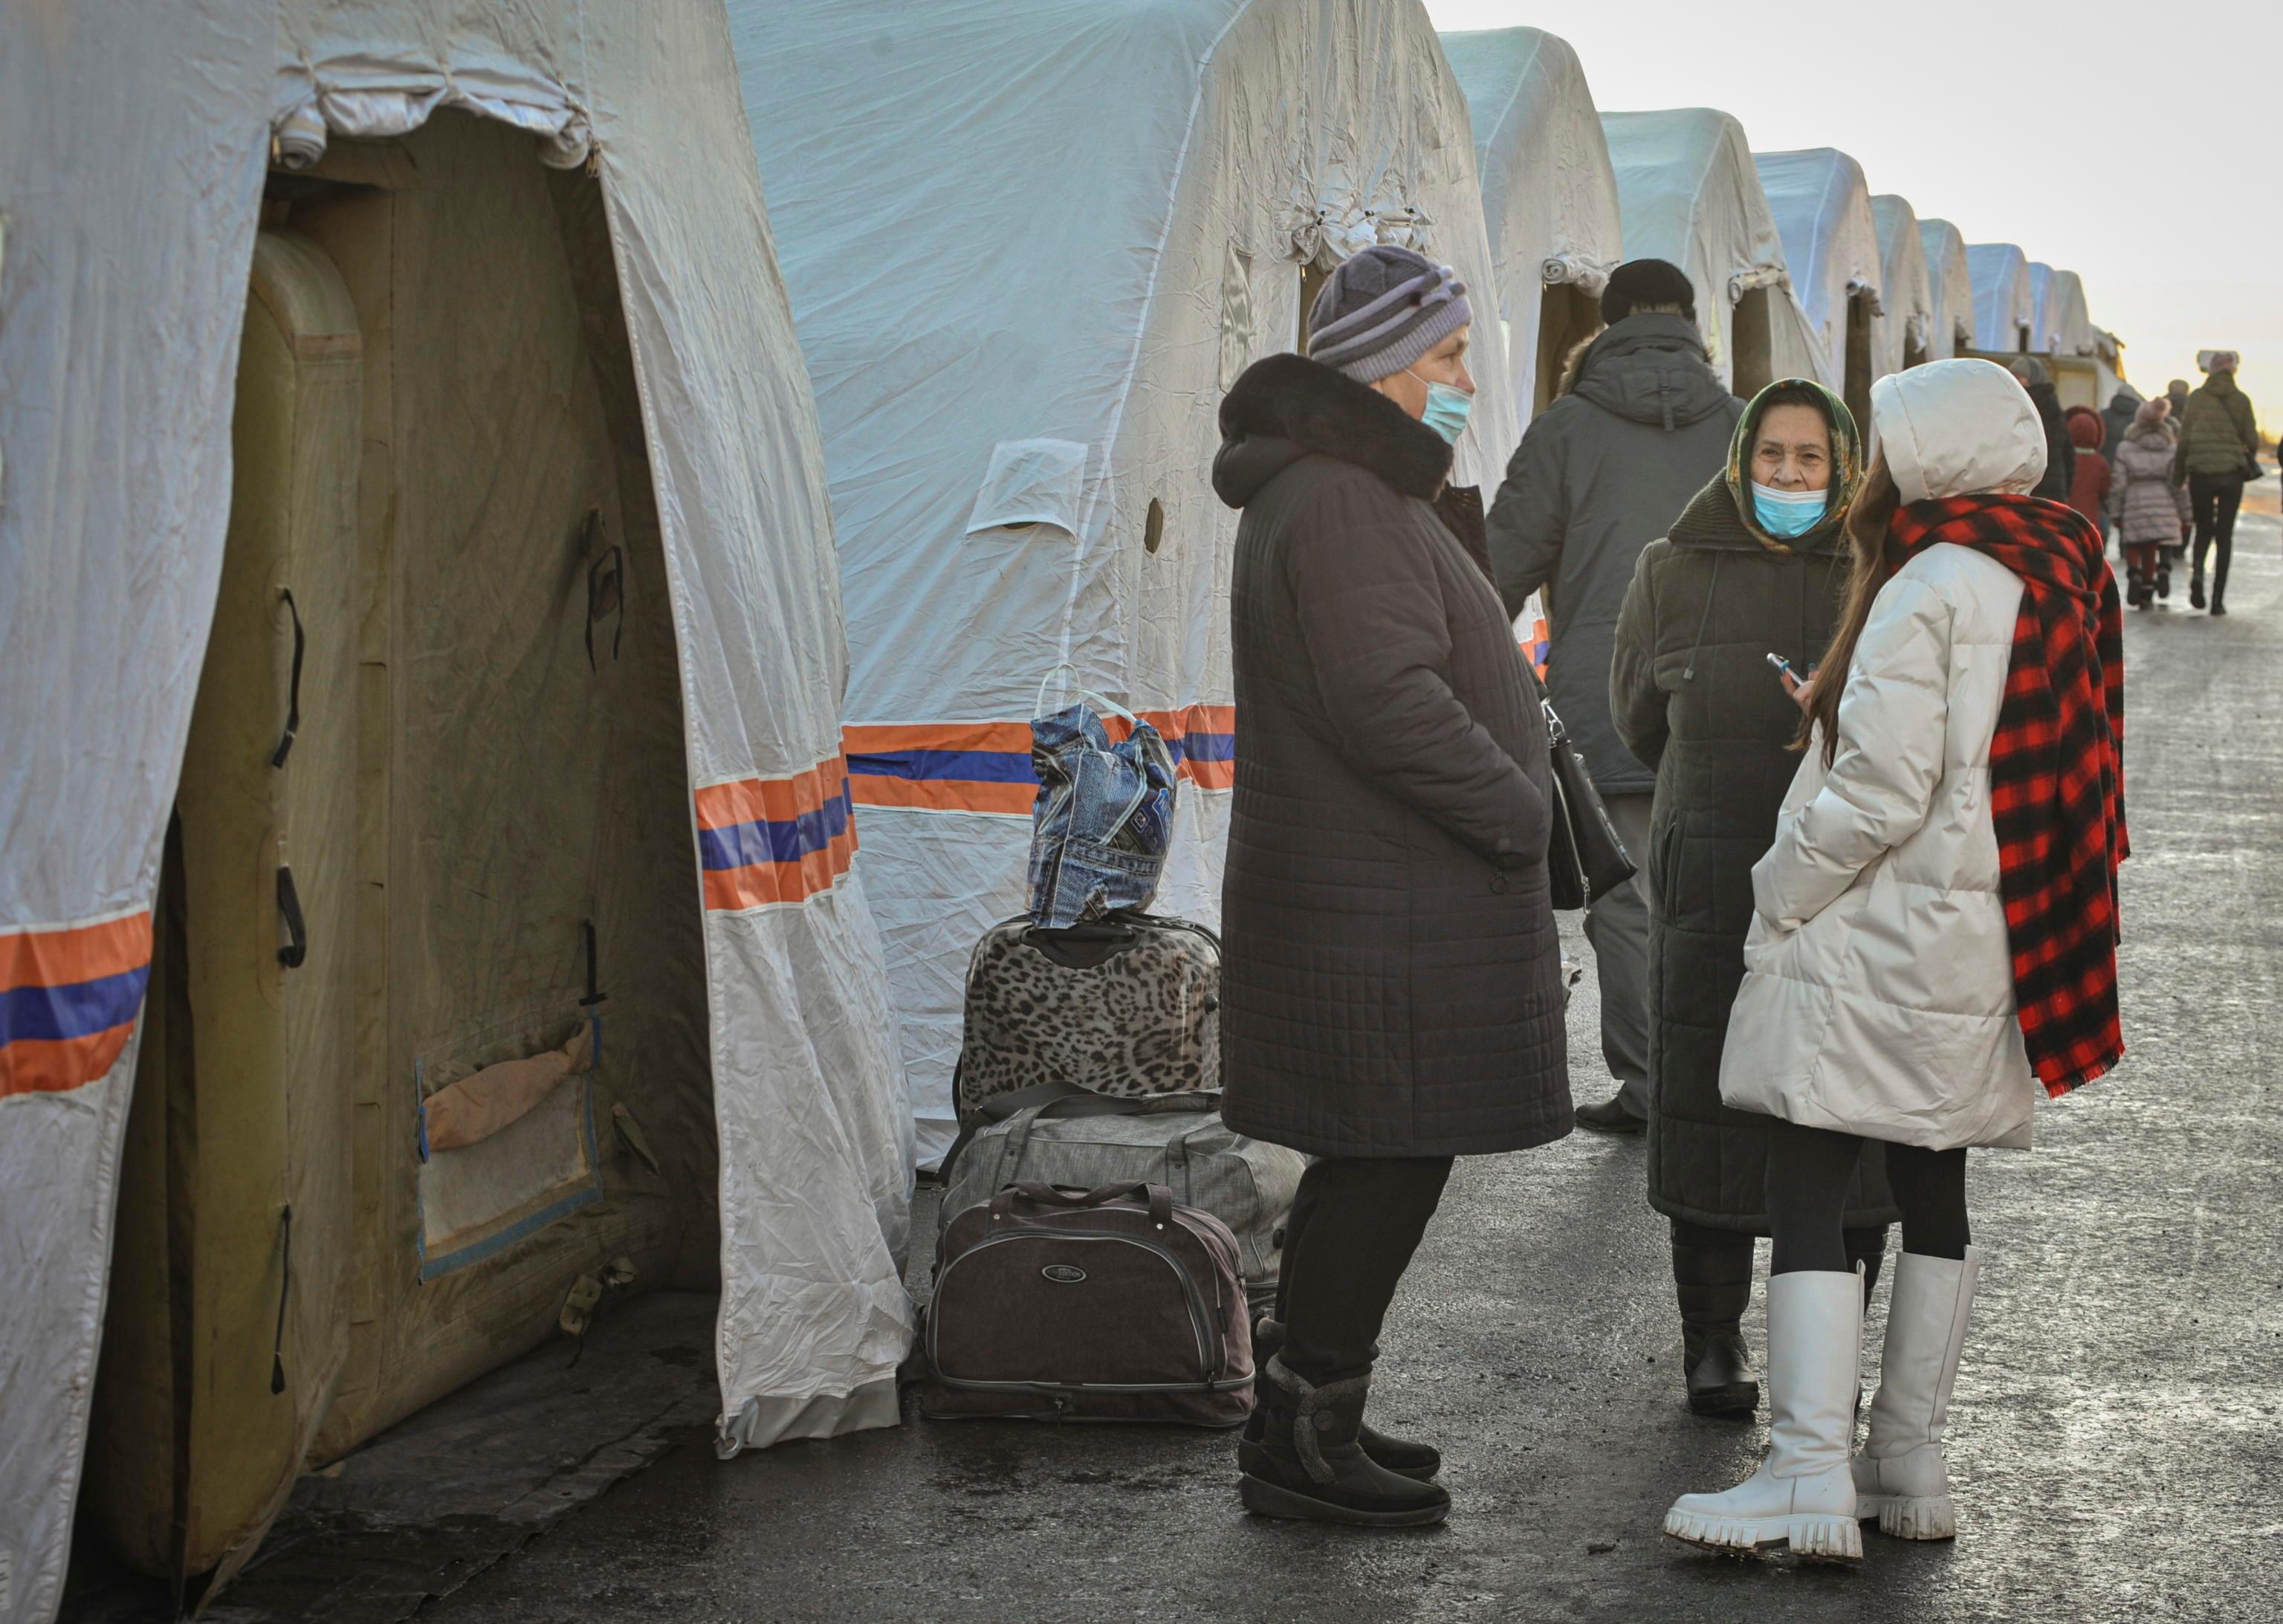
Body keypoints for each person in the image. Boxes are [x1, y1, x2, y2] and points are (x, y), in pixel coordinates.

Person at [1662, 358, 2126, 1563]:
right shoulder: (2057, 570)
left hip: (1878, 935)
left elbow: (1877, 789)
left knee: (1807, 1175)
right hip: (1981, 940)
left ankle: (1805, 1469)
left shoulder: (1928, 582)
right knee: (1931, 1183)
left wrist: (1781, 889)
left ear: (1922, 460)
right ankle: (1907, 1463)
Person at [1214, 245, 1572, 1529]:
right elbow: (1387, 700)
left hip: (1371, 893)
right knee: (1387, 1157)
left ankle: (1311, 1414)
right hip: (1387, 895)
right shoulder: (1347, 499)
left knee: (1371, 1154)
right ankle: (1309, 1435)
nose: (1464, 379)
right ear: (1377, 366)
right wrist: (1517, 809)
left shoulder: (1332, 488)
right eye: (1445, 357)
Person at [1608, 378, 1896, 1421]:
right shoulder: (1669, 569)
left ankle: (1835, 1353)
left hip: (1846, 879)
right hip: (1714, 876)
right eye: (1771, 455)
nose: (1788, 476)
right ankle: (1713, 1342)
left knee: (1845, 1104)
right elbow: (1640, 715)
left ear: (1843, 466)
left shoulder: (1879, 569)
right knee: (1709, 1096)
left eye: (1809, 459)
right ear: (1740, 461)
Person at [1486, 258, 1744, 1134]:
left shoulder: (1568, 429)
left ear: (1608, 322)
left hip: (1609, 698)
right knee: (1735, 889)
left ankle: (1653, 1091)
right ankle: (1736, 1079)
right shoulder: (1747, 429)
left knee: (1629, 902)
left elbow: (1498, 575)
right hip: (1740, 702)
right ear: (1693, 320)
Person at [2174, 349, 2260, 615]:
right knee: (2225, 535)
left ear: (2210, 371)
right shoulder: (2241, 400)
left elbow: (2184, 440)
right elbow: (2252, 439)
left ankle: (2198, 573)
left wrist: (2178, 477)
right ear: (2233, 371)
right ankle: (2217, 600)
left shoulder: (2197, 398)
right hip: (2231, 474)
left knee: (2203, 529)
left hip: (2201, 473)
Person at [2109, 397, 2189, 608]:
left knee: (2135, 542)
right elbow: (2178, 485)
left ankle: (2134, 573)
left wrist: (2115, 512)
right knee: (2153, 545)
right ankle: (2150, 585)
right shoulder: (2171, 448)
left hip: (2135, 498)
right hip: (2163, 498)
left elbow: (2118, 484)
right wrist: (2186, 515)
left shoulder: (2125, 447)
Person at [2008, 355, 2074, 501]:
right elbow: (2069, 455)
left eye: (2020, 377)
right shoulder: (2055, 407)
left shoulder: (2021, 405)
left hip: (2028, 488)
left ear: (2032, 379)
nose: (2015, 381)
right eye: (2012, 376)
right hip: (2054, 491)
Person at [2064, 407, 2111, 530]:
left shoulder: (2064, 459)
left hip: (2064, 515)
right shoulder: (2100, 462)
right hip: (2090, 520)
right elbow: (2105, 492)